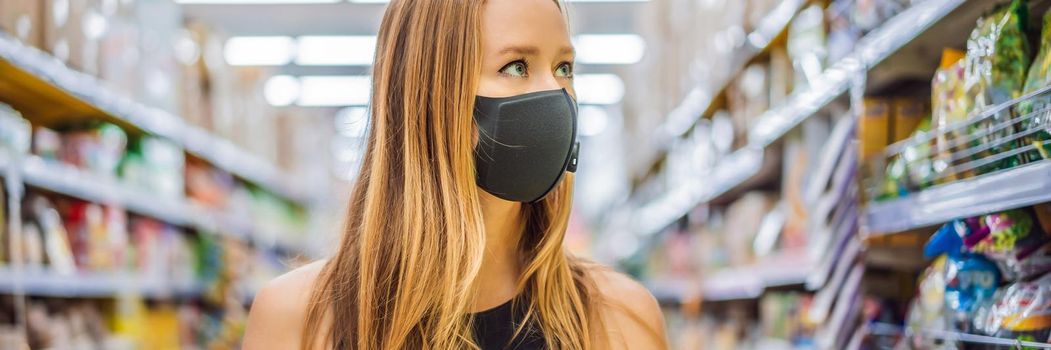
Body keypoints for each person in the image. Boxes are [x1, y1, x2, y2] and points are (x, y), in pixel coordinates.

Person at [242, 0, 666, 348]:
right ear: (431, 98)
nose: (556, 96)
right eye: (517, 66)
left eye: (564, 68)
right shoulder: (298, 319)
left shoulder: (620, 319)